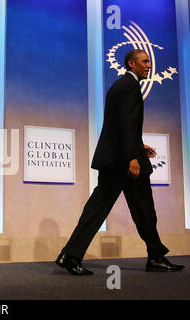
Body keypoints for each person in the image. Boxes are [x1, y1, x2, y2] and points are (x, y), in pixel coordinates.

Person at [55, 49, 184, 275]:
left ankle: (70, 255)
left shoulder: (119, 86)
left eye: (149, 62)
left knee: (99, 208)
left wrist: (138, 146)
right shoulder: (131, 87)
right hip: (124, 163)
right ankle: (155, 257)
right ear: (131, 63)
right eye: (144, 61)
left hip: (113, 159)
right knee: (144, 209)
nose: (148, 66)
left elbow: (122, 125)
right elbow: (126, 123)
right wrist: (132, 156)